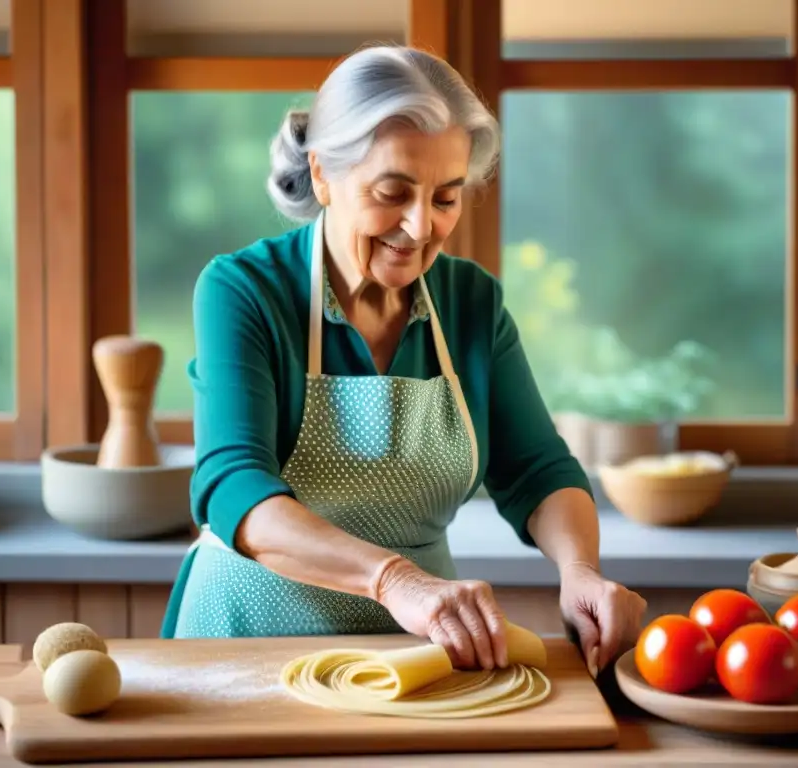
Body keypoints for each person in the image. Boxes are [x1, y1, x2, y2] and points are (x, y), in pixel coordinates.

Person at [160, 44, 647, 677]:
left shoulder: (470, 302)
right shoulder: (244, 290)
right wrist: (396, 580)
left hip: (419, 659)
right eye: (393, 192)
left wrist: (580, 570)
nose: (419, 228)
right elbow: (232, 486)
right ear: (324, 175)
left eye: (445, 198)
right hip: (246, 649)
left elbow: (537, 470)